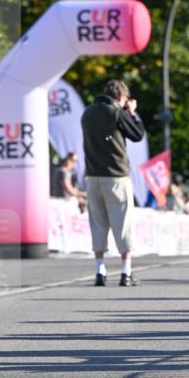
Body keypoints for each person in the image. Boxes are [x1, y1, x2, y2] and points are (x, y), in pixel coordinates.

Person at [81, 79, 145, 286]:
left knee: (97, 223)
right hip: (116, 176)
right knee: (122, 223)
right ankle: (126, 273)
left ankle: (100, 271)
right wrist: (132, 113)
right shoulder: (116, 113)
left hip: (92, 176)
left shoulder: (87, 113)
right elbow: (137, 135)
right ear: (121, 97)